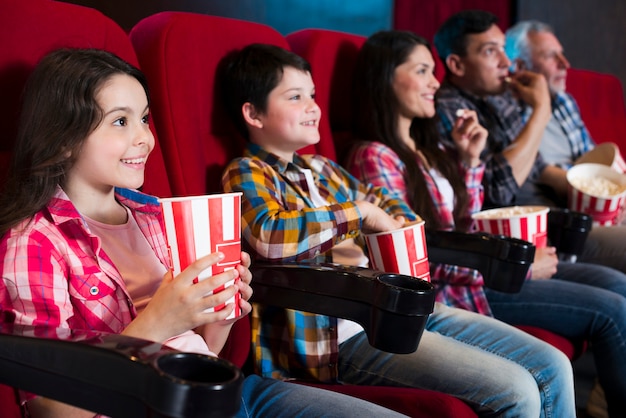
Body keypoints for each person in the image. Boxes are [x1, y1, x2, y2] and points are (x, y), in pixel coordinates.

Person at [0, 48, 412, 418]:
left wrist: (222, 306)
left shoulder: (154, 215)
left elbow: (203, 350)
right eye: (120, 121)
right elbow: (51, 410)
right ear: (64, 137)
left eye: (144, 119)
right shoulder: (34, 243)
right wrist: (158, 322)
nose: (144, 138)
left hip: (224, 387)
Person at [220, 42, 576, 417]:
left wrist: (375, 217)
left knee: (553, 365)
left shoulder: (322, 170)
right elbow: (271, 234)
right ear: (253, 114)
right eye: (295, 97)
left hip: (399, 307)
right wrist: (361, 216)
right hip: (344, 335)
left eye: (312, 95)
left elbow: (390, 205)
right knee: (517, 390)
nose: (313, 107)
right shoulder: (247, 171)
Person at [345, 29, 626, 417]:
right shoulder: (375, 157)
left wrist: (471, 163)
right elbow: (413, 258)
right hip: (453, 291)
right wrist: (511, 269)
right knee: (609, 310)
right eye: (423, 71)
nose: (435, 82)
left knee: (612, 293)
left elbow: (463, 225)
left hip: (471, 279)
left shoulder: (429, 150)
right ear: (385, 78)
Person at [504, 19, 626, 273]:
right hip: (563, 217)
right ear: (520, 66)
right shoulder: (507, 110)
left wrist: (617, 193)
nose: (565, 64)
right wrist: (603, 194)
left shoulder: (564, 101)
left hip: (598, 207)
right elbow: (538, 174)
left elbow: (592, 160)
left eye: (562, 54)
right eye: (551, 57)